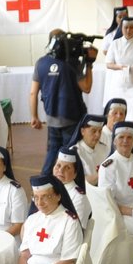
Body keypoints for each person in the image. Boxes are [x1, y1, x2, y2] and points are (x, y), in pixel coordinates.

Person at [29, 28, 94, 175]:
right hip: (72, 117)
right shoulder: (71, 63)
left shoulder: (41, 63)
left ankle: (43, 181)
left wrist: (34, 116)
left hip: (52, 118)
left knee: (53, 152)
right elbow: (87, 87)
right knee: (70, 154)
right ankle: (72, 184)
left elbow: (33, 92)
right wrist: (89, 64)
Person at [100, 120, 133, 240]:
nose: (125, 141)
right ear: (114, 141)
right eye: (121, 137)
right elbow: (108, 202)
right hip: (121, 214)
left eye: (130, 137)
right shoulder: (107, 167)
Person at [51, 147, 92, 237]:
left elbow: (74, 229)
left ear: (75, 174)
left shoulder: (79, 198)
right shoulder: (47, 189)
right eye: (58, 165)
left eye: (67, 168)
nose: (61, 171)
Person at [74, 112, 110, 181]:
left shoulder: (105, 149)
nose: (97, 135)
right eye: (93, 131)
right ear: (82, 131)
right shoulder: (75, 152)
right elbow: (76, 181)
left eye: (100, 131)